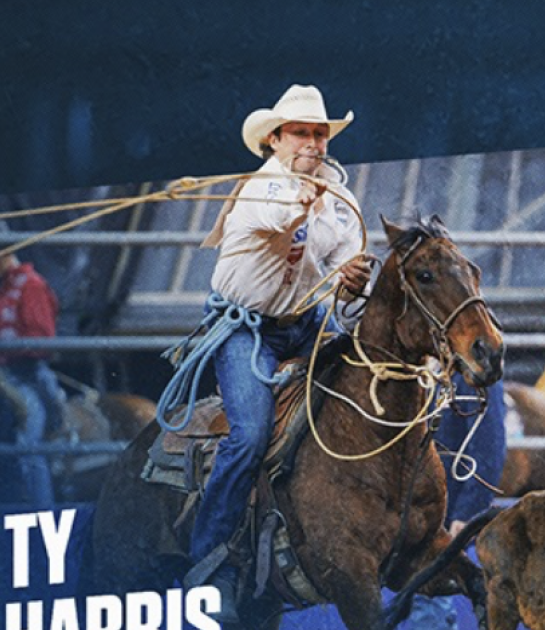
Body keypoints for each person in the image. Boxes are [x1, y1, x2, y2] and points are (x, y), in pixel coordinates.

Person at [178, 84, 372, 621]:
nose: (312, 142)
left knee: (361, 400)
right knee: (249, 433)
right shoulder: (256, 190)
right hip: (246, 328)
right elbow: (274, 223)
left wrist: (350, 282)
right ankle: (209, 560)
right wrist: (302, 200)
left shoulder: (341, 200)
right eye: (301, 133)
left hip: (303, 323)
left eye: (318, 133)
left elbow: (340, 272)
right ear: (275, 140)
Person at [401, 374, 506, 629]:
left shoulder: (471, 374)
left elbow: (488, 444)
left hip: (443, 514)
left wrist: (469, 511)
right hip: (418, 514)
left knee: (428, 598)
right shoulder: (424, 371)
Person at [0, 226, 64, 508]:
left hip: (24, 374)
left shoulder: (31, 285)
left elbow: (41, 340)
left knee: (29, 442)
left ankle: (41, 508)